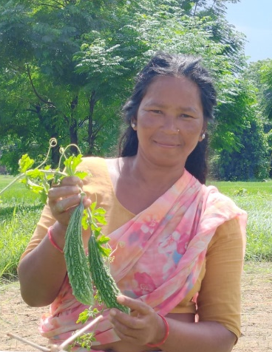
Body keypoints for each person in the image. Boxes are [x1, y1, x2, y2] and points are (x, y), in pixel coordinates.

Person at [18, 52, 247, 352]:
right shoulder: (83, 178)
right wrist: (63, 229)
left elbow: (223, 335)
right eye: (155, 111)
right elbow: (33, 294)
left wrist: (159, 331)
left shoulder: (214, 217)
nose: (169, 127)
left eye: (186, 115)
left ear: (204, 128)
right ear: (133, 117)